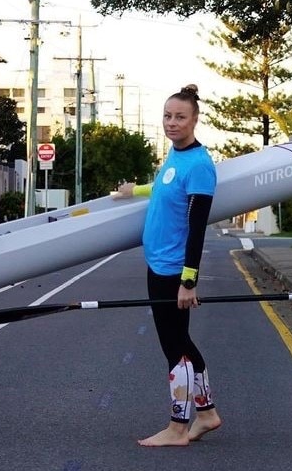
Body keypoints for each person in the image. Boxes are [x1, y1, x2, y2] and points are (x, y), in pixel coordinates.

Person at [114, 84, 222, 447]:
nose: (172, 123)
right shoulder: (175, 158)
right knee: (183, 343)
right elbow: (164, 188)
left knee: (174, 349)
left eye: (180, 117)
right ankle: (206, 414)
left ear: (195, 120)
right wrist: (136, 191)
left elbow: (196, 229)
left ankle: (178, 428)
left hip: (173, 270)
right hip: (158, 264)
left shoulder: (200, 166)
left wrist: (188, 281)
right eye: (167, 116)